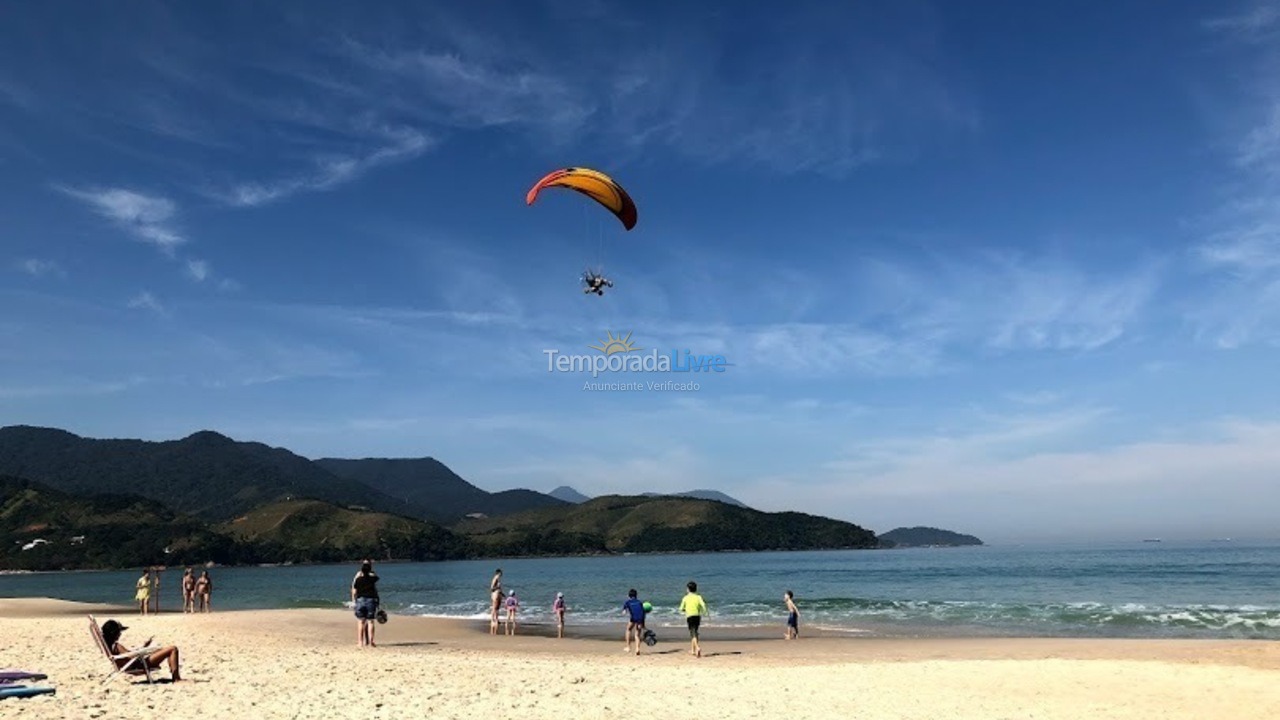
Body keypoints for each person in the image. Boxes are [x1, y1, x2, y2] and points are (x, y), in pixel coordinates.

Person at [100, 619, 182, 682]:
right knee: (173, 649)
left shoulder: (111, 646)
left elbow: (128, 655)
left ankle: (174, 675)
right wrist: (144, 650)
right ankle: (176, 679)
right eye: (119, 632)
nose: (120, 634)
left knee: (162, 650)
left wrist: (144, 646)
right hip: (140, 664)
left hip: (135, 663)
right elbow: (131, 656)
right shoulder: (117, 646)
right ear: (114, 633)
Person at [351, 559, 380, 648]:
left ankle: (360, 642)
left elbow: (354, 590)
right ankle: (371, 642)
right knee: (371, 621)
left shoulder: (358, 578)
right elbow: (376, 578)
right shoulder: (372, 578)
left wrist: (354, 601)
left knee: (361, 622)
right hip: (370, 600)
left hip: (360, 600)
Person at [679, 581, 708, 658]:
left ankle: (697, 648)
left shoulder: (685, 598)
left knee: (693, 632)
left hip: (690, 616)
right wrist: (704, 612)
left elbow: (681, 608)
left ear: (688, 589)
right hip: (697, 616)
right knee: (695, 632)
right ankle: (692, 650)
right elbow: (703, 605)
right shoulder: (698, 597)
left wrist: (686, 609)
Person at [622, 589, 646, 655]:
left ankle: (628, 647)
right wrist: (642, 624)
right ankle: (637, 649)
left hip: (633, 618)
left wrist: (624, 611)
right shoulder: (639, 602)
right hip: (640, 618)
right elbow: (643, 612)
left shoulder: (628, 602)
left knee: (628, 630)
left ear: (629, 596)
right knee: (637, 635)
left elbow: (624, 610)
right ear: (636, 595)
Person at [489, 569, 503, 635]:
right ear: (498, 573)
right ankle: (494, 620)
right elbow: (492, 588)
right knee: (495, 608)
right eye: (500, 573)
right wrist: (497, 588)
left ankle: (495, 620)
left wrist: (502, 593)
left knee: (496, 608)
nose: (501, 575)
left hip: (497, 594)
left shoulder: (497, 579)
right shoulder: (495, 578)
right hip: (496, 594)